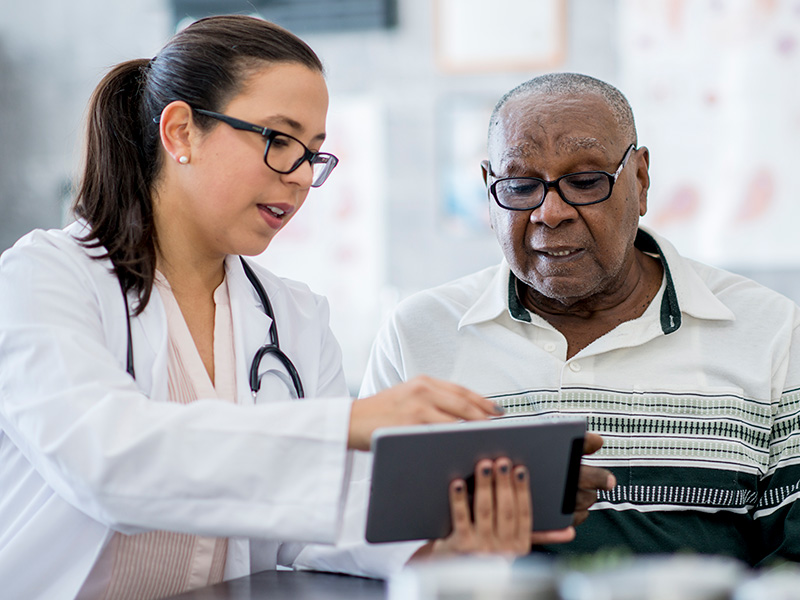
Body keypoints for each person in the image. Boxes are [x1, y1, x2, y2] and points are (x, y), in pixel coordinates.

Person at [0, 17, 594, 600]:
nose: (302, 176)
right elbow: (106, 462)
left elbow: (317, 521)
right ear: (181, 133)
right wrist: (344, 426)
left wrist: (445, 534)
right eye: (279, 141)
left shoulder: (294, 316)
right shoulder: (44, 278)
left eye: (313, 153)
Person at [361, 72, 800, 567]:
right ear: (488, 190)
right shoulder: (419, 334)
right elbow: (361, 542)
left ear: (640, 180)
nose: (550, 213)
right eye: (520, 186)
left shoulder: (769, 330)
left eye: (586, 182)